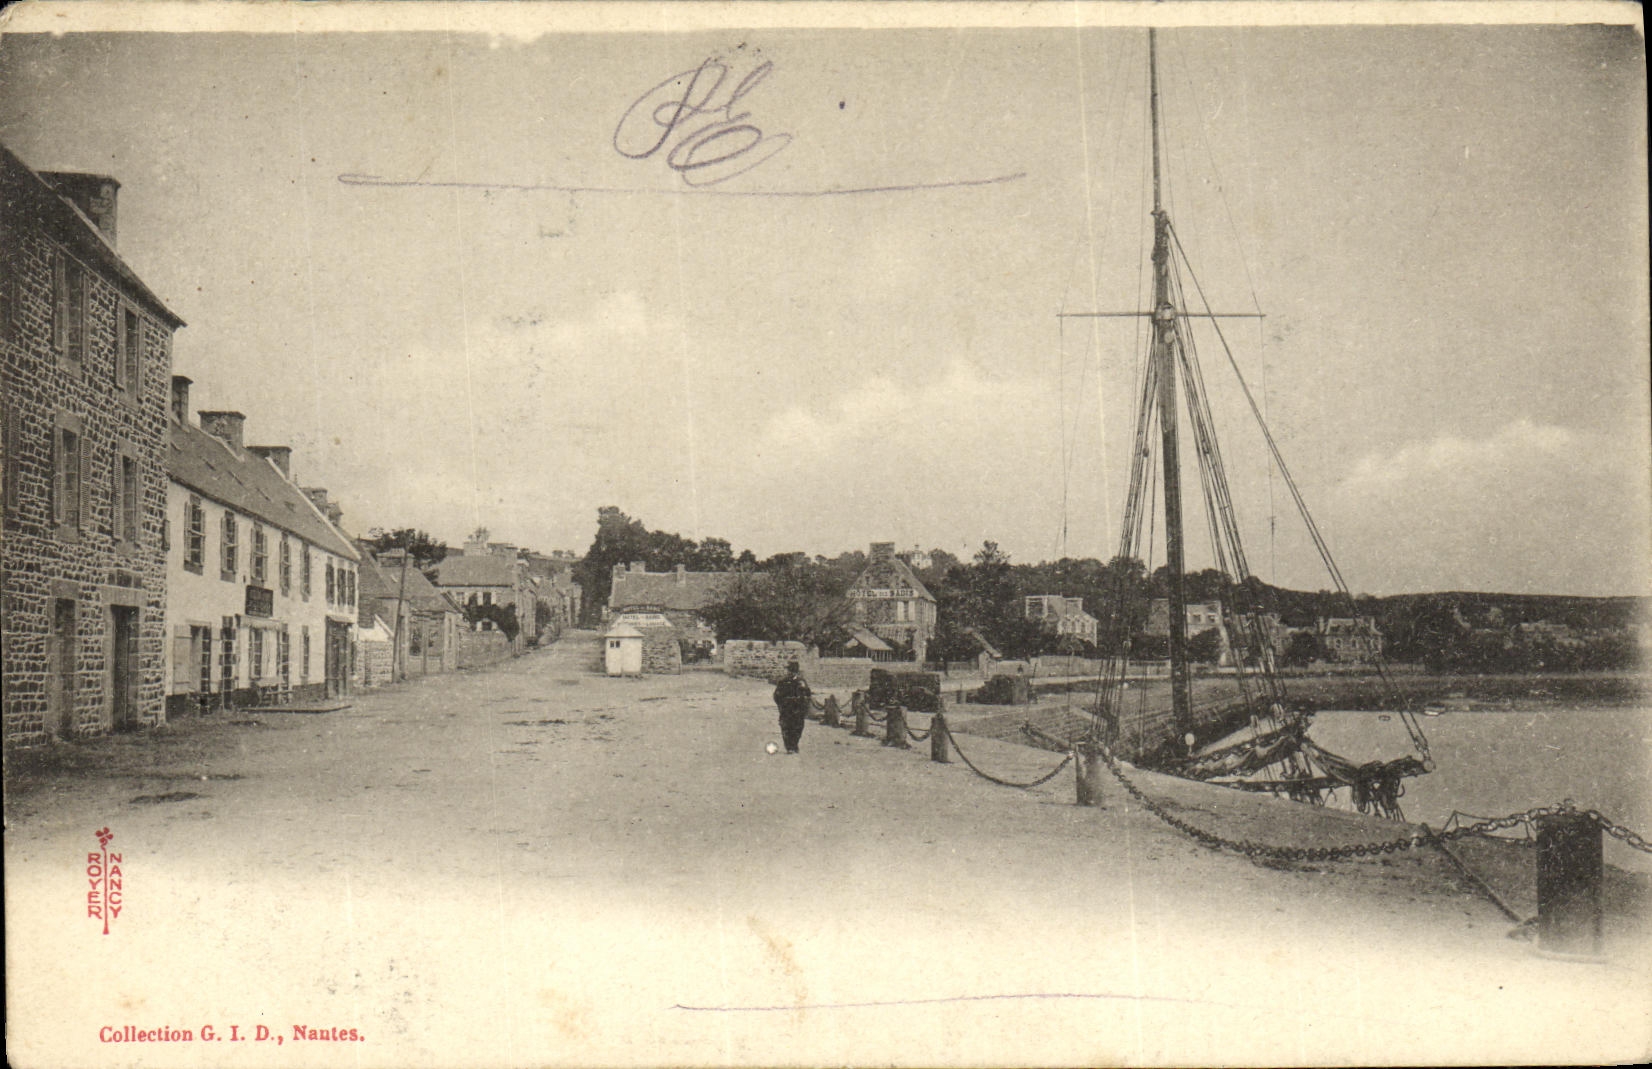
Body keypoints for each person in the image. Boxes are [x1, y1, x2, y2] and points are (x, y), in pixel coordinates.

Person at [772, 661, 812, 755]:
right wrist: (781, 705)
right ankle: (789, 747)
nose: (790, 673)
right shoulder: (783, 681)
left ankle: (795, 744)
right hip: (786, 709)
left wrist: (804, 707)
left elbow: (807, 695)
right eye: (789, 671)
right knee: (786, 728)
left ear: (796, 672)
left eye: (792, 671)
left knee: (798, 728)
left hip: (798, 709)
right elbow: (776, 695)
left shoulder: (801, 682)